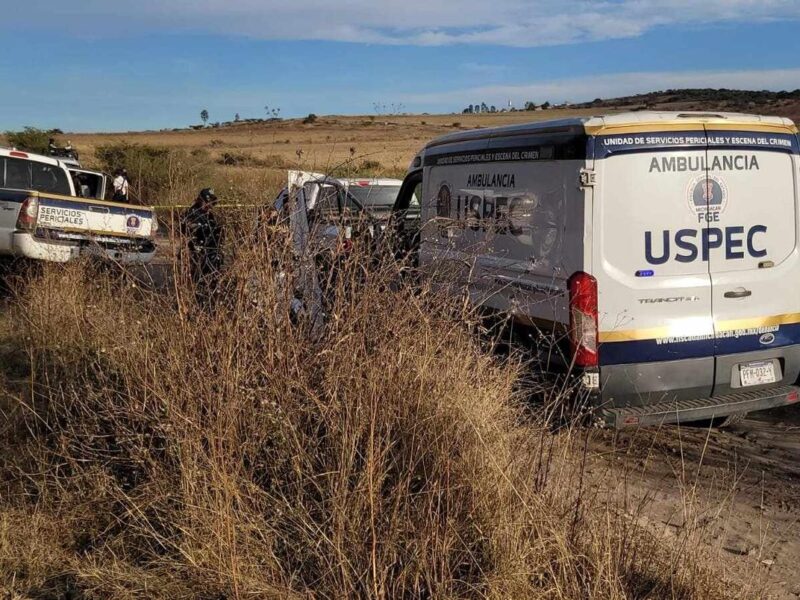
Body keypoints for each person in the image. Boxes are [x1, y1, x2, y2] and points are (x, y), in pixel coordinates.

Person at [181, 188, 223, 305]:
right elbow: (186, 231)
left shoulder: (209, 216)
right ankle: (196, 304)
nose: (210, 206)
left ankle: (209, 303)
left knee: (211, 282)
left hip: (211, 253)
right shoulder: (192, 213)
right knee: (197, 282)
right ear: (201, 200)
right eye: (208, 202)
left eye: (212, 203)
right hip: (197, 253)